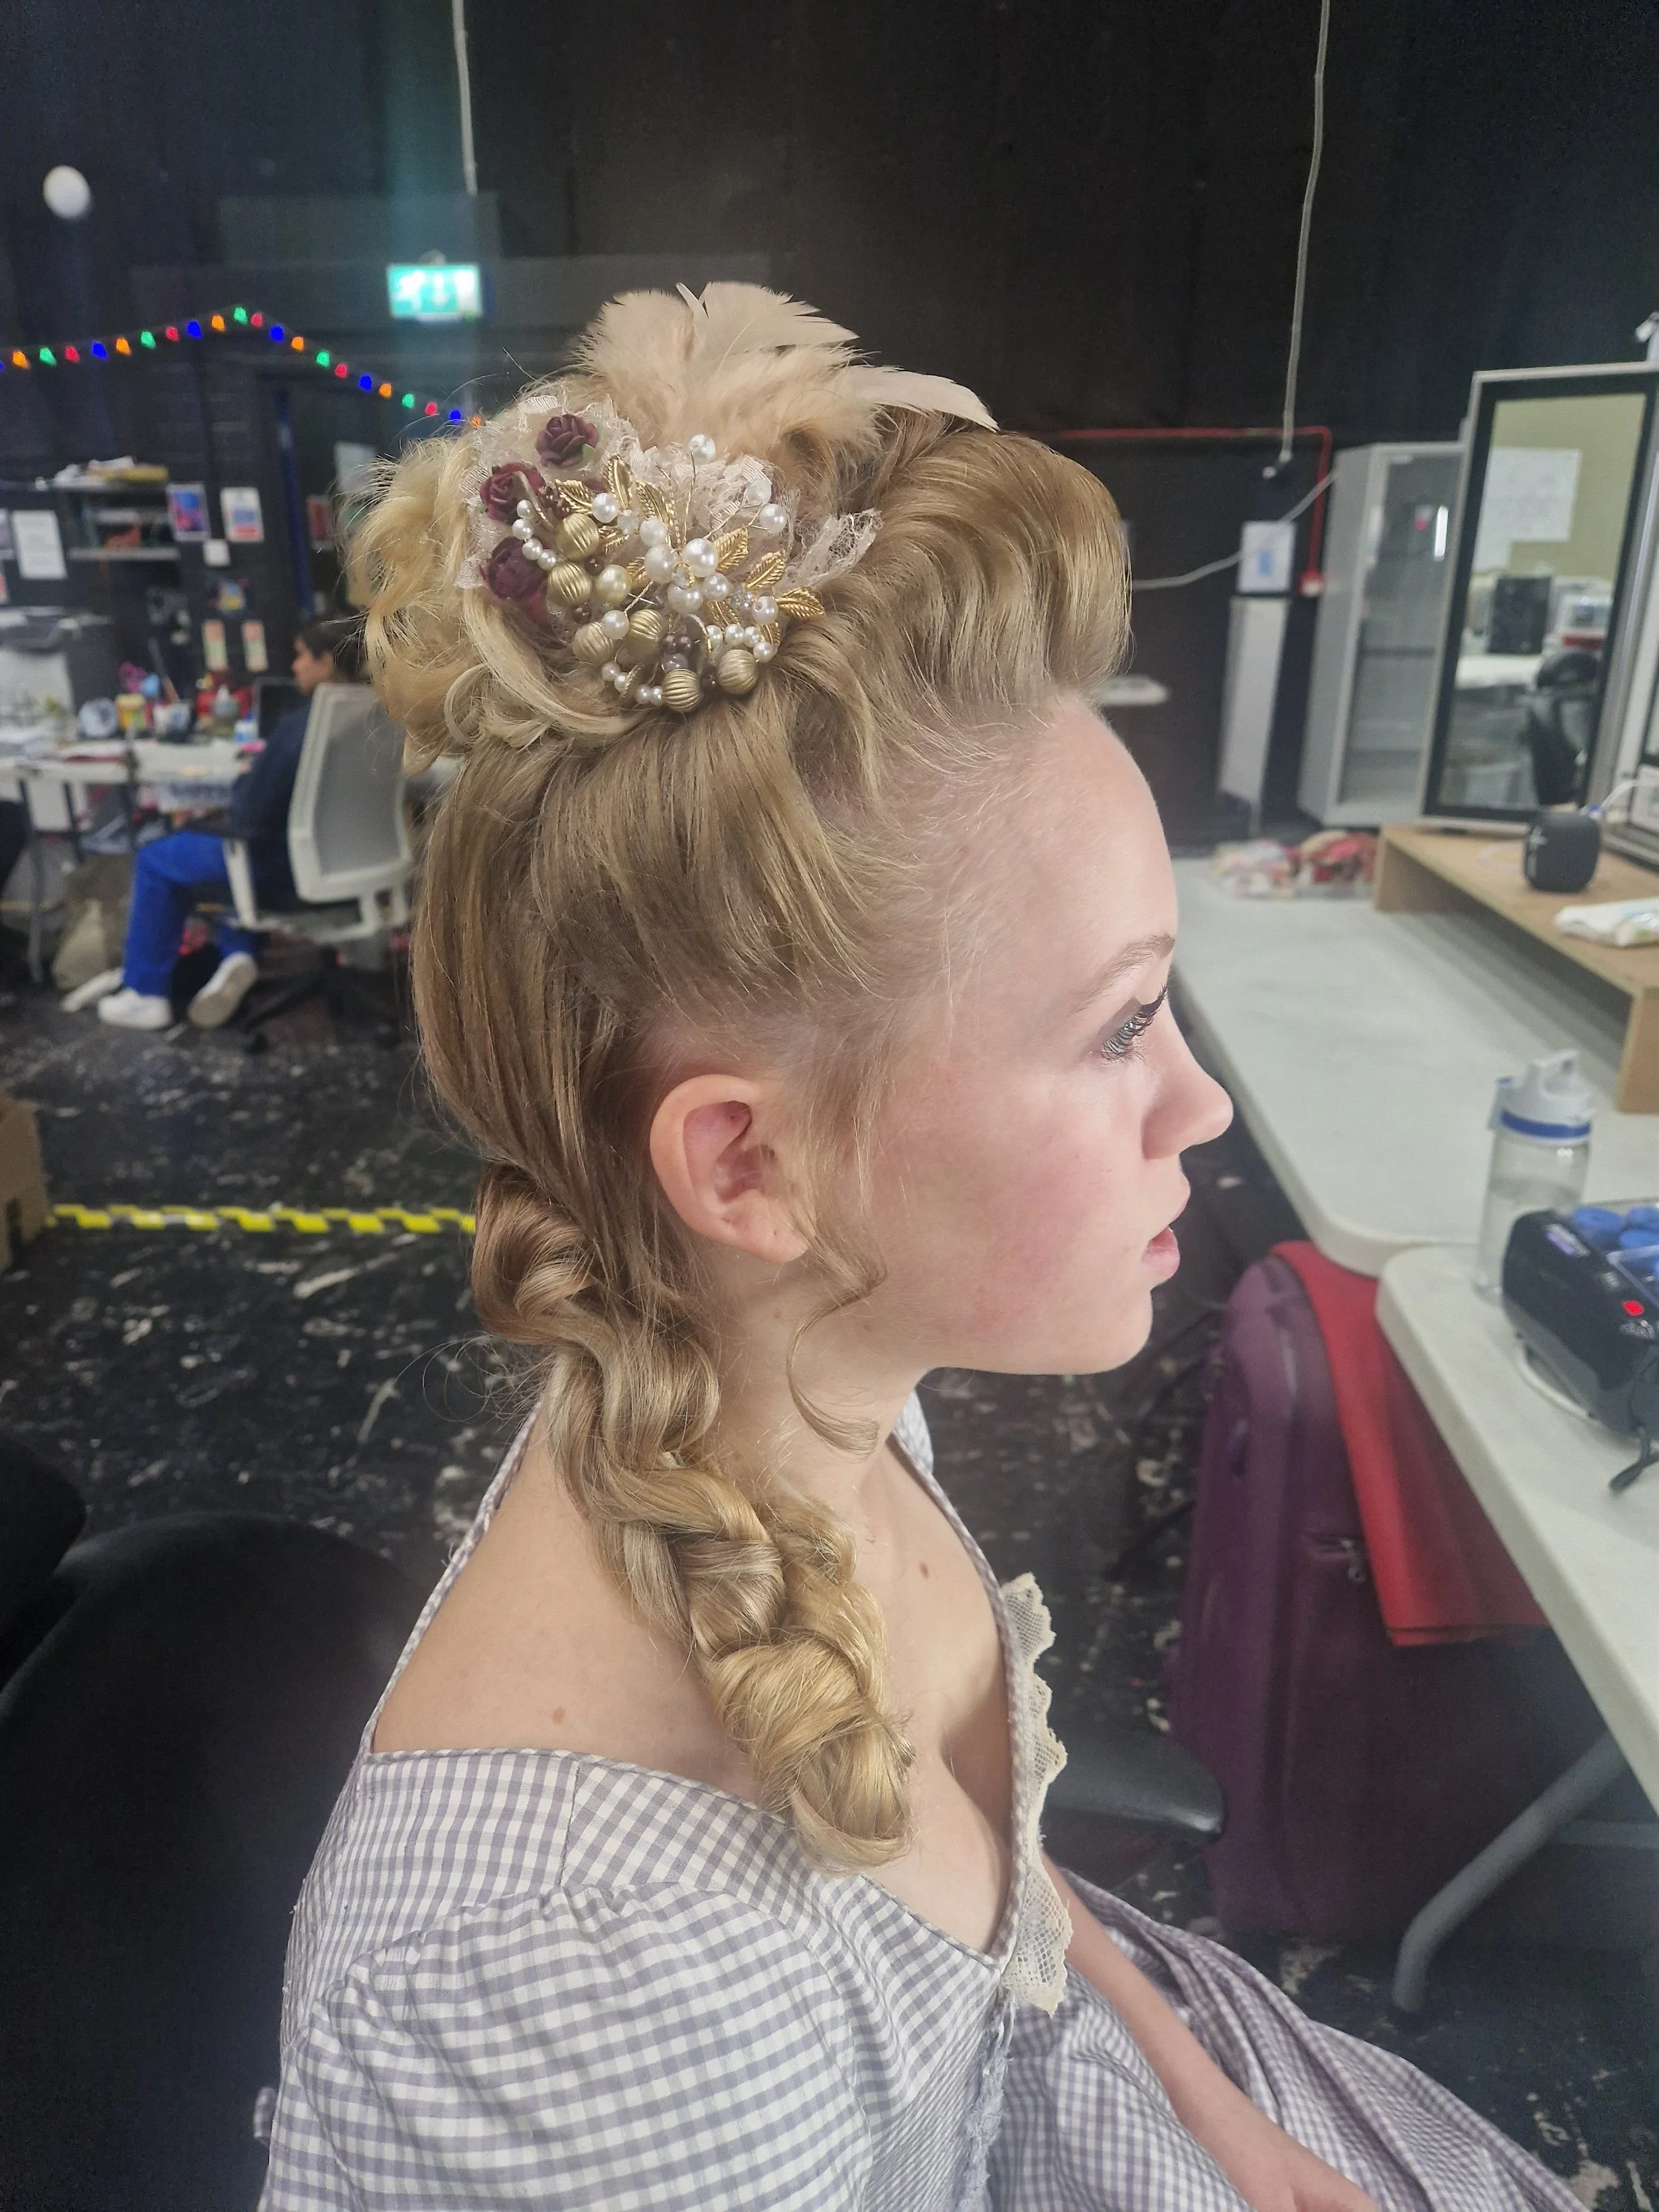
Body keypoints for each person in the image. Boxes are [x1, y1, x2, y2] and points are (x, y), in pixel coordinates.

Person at [260, 287, 1579, 2212]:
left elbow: (992, 1879)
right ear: (751, 1166)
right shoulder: (553, 1997)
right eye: (1119, 1026)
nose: (1196, 1111)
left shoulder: (812, 1389)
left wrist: (1221, 2123)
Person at [96, 617, 363, 1031]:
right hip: (347, 864)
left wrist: (233, 798)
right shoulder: (373, 713)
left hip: (281, 867)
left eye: (299, 656)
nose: (294, 668)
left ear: (325, 661)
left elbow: (251, 816)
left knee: (158, 859)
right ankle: (237, 952)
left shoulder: (301, 726)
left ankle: (144, 994)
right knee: (224, 854)